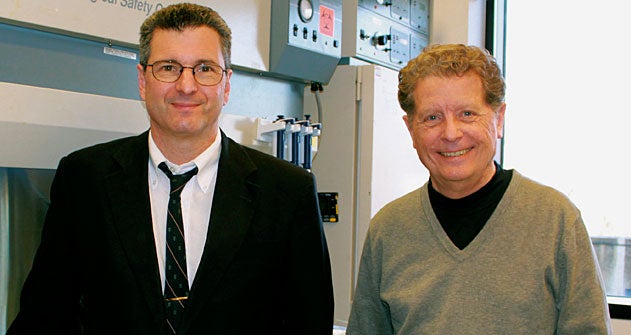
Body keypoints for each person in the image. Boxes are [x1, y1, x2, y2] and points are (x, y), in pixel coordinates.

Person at [7, 3, 334, 334]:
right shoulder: (84, 179)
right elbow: (44, 316)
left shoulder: (287, 192)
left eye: (205, 69)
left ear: (227, 84)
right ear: (142, 80)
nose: (187, 86)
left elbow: (308, 325)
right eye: (168, 67)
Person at [345, 44, 612, 334]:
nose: (450, 134)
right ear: (411, 130)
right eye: (432, 117)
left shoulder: (555, 220)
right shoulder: (389, 230)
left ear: (499, 119)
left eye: (468, 114)